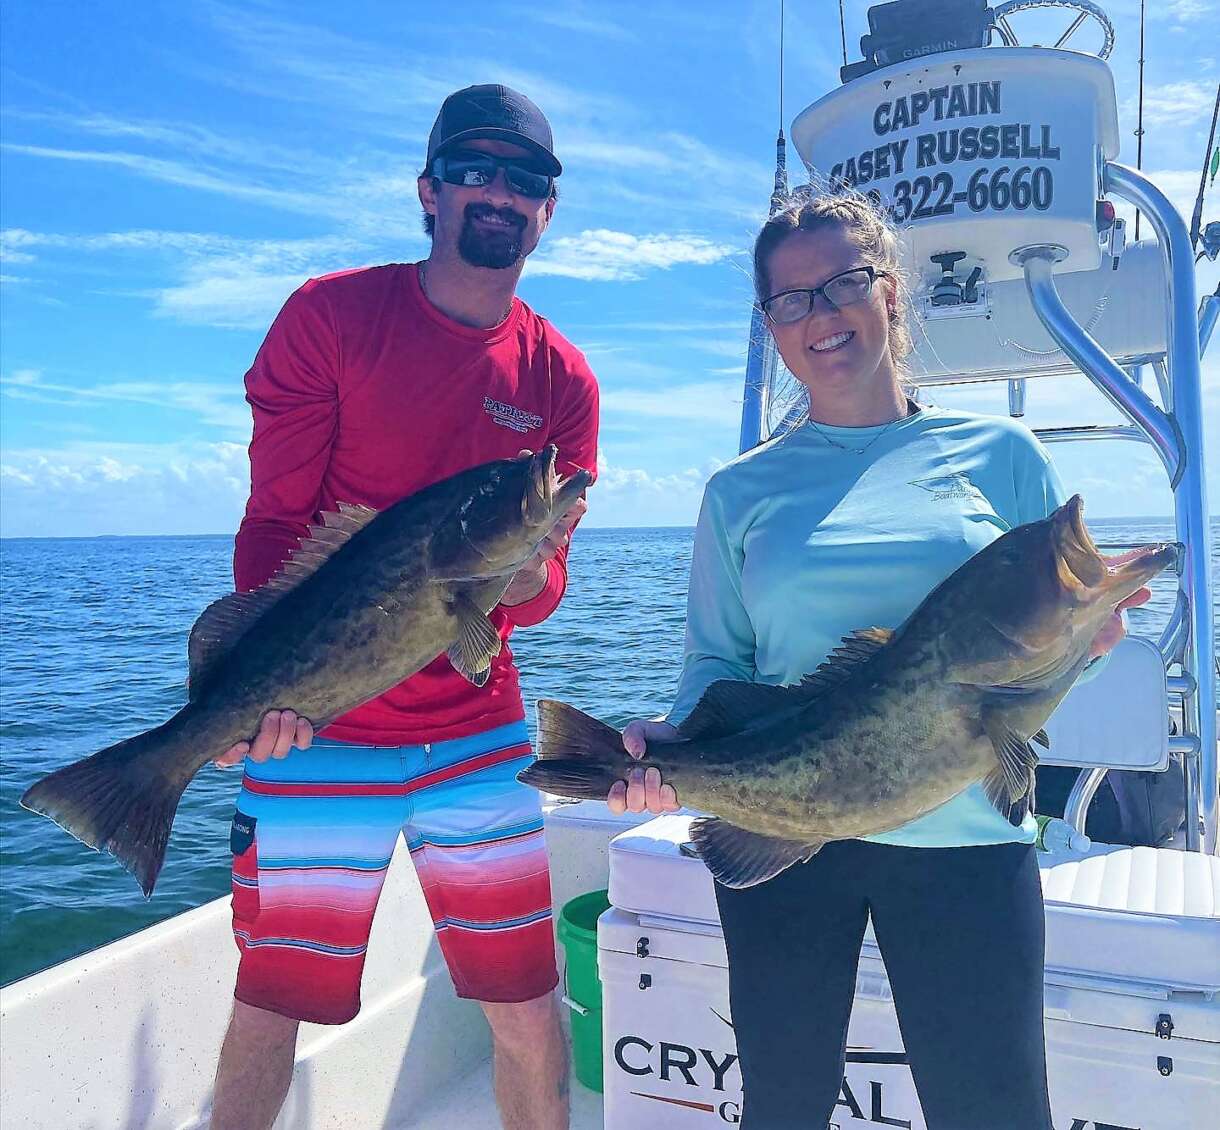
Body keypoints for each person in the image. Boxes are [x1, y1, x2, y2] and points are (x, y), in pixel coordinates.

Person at [607, 191, 1146, 1130]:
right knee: (782, 1107)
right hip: (788, 833)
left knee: (996, 1109)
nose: (821, 315)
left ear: (890, 294)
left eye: (843, 284)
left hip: (967, 842)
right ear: (771, 326)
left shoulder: (1003, 455)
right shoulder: (740, 491)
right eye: (791, 299)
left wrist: (1092, 647)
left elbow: (1046, 652)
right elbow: (717, 663)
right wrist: (671, 747)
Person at [208, 85, 598, 1130]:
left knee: (523, 1003)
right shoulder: (328, 317)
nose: (499, 194)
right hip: (320, 727)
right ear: (428, 191)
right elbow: (277, 527)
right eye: (474, 169)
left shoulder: (563, 378)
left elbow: (546, 584)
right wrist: (245, 696)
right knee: (271, 997)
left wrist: (524, 581)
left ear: (547, 211)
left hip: (478, 734)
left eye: (527, 180)